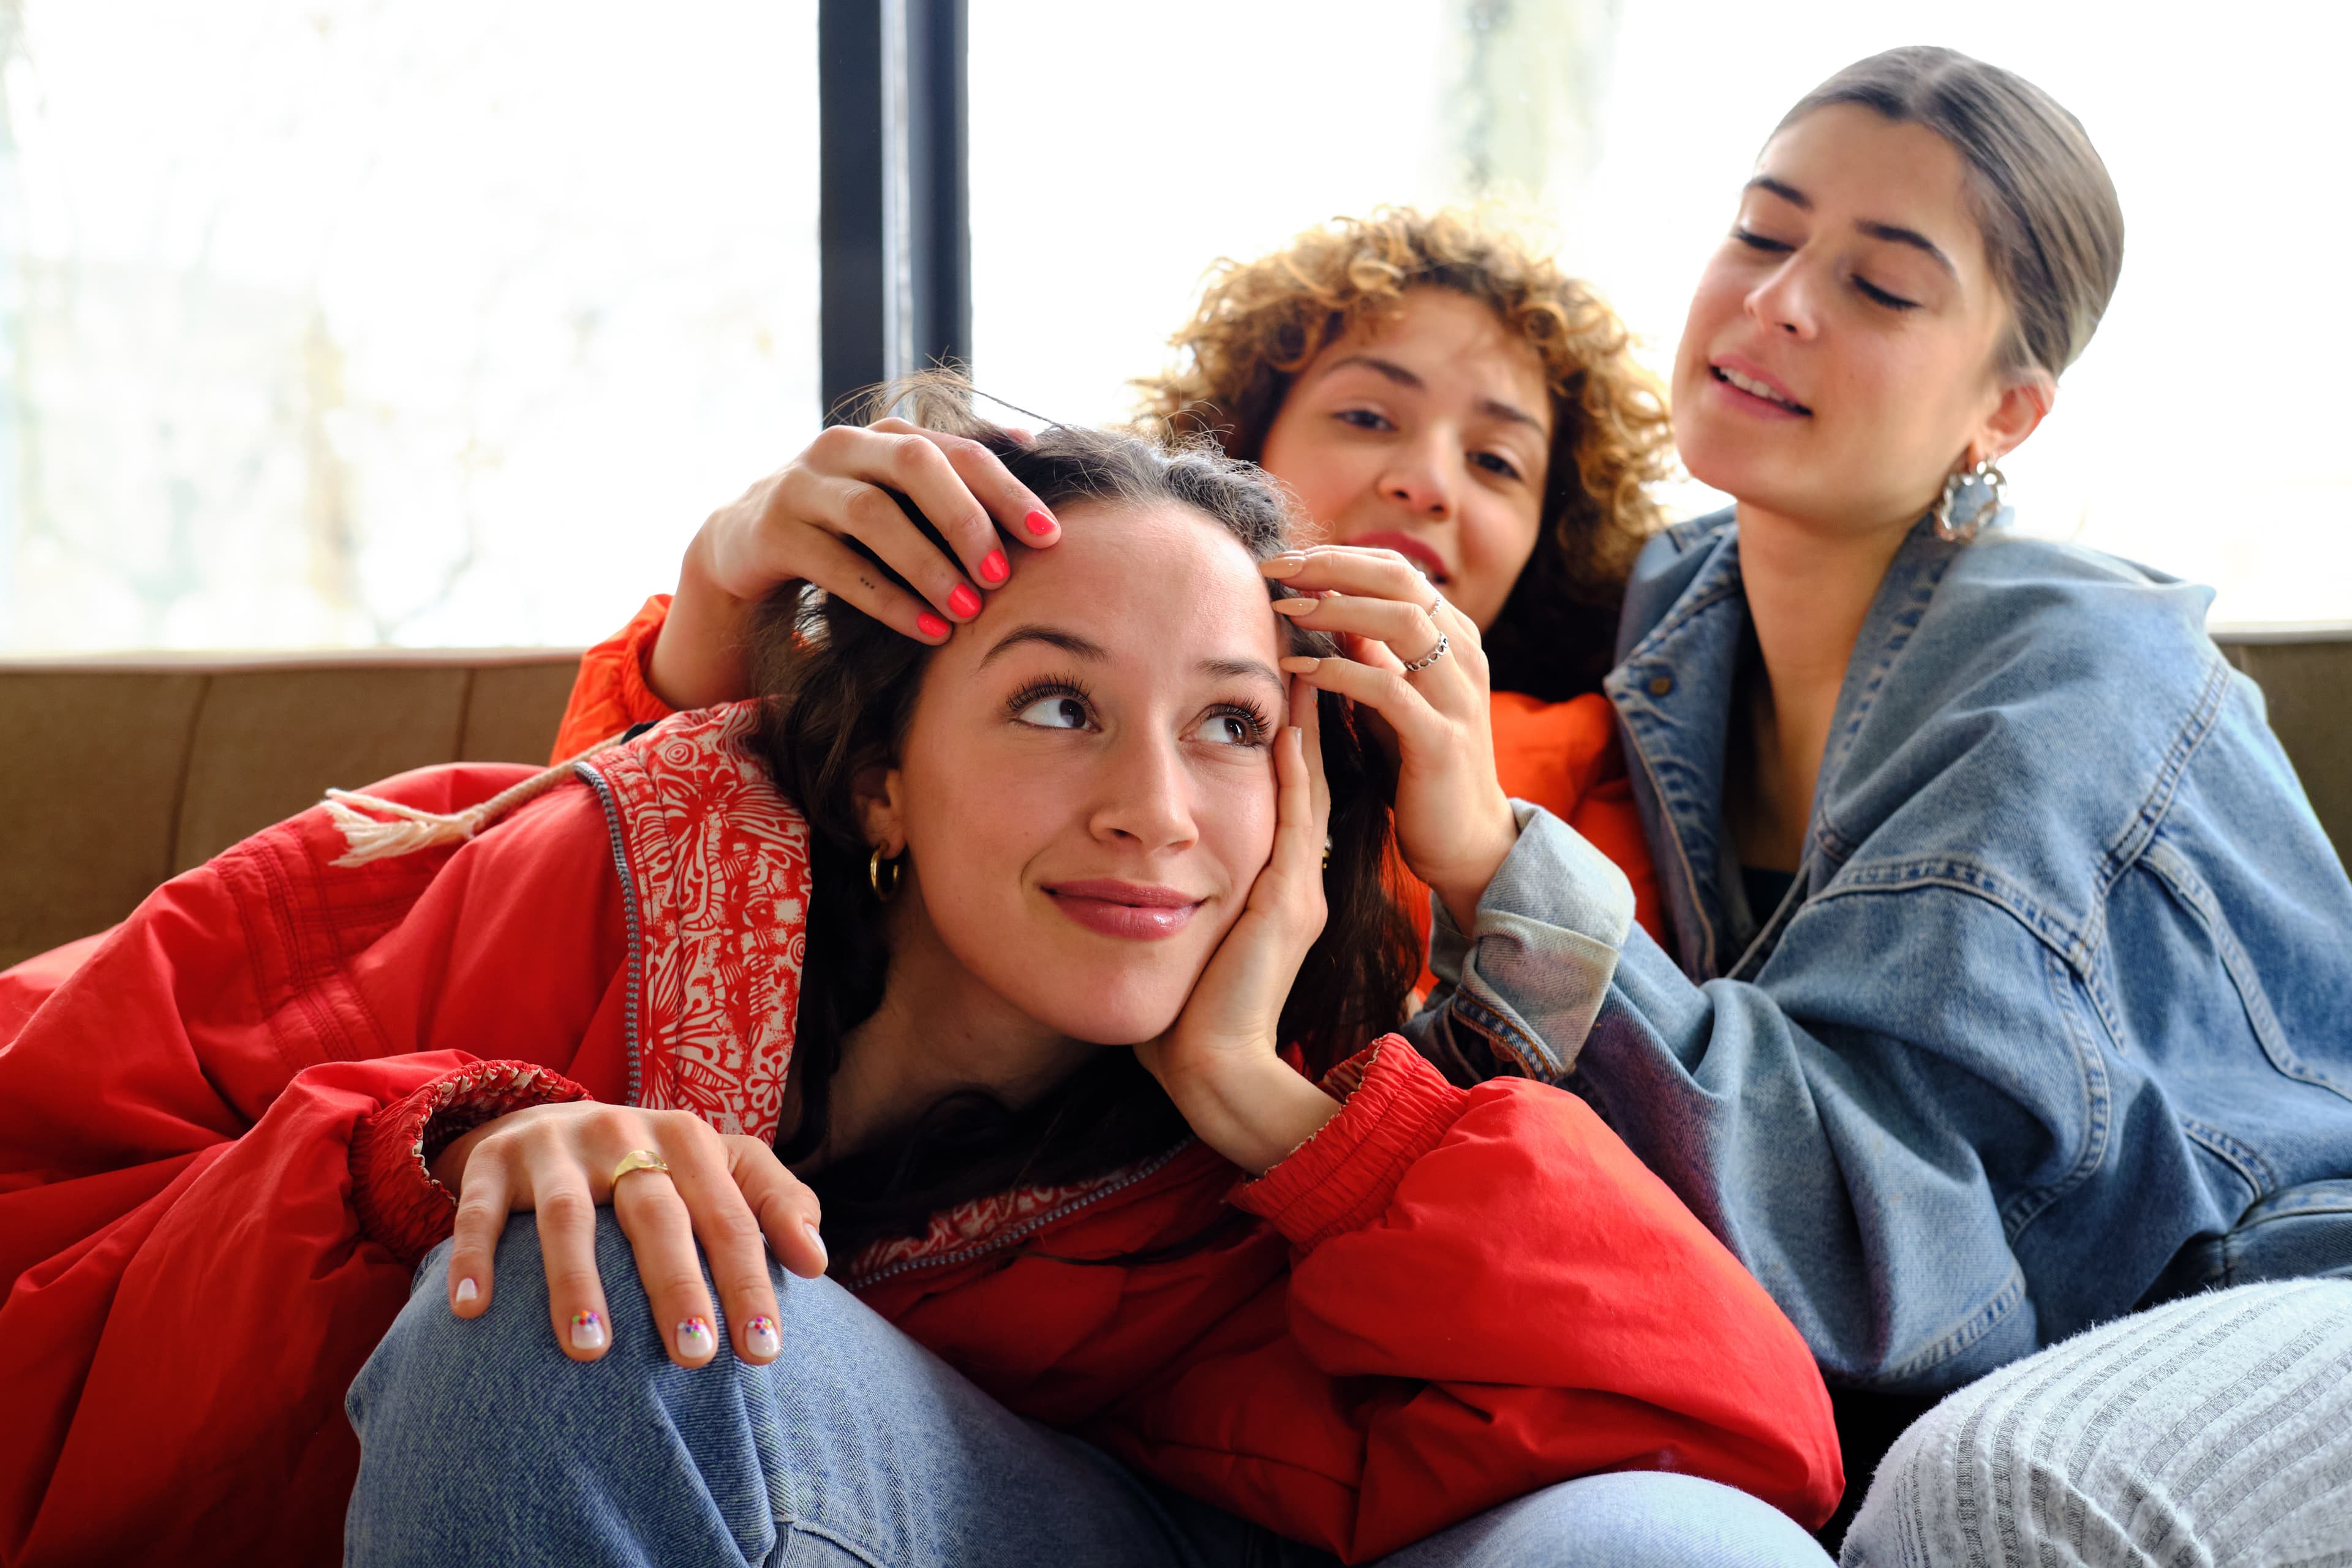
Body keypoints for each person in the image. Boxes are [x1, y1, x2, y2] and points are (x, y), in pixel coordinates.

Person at [0, 396, 1841, 1566]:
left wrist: (1275, 1112)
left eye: (1226, 728)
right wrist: (436, 1153)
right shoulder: (589, 865)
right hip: (748, 1456)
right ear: (879, 768)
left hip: (1138, 1512)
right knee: (575, 1283)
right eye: (1058, 706)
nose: (1152, 812)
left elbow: (1743, 1426)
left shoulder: (1333, 1059)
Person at [1376, 47, 2352, 1556]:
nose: (1779, 301)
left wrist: (1506, 866)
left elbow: (1875, 1250)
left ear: (2006, 413)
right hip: (2011, 1337)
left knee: (1985, 1492)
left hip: (2281, 1296)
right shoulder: (1675, 616)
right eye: (1763, 234)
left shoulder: (2063, 680)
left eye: (1883, 287)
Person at [546, 209, 1674, 952]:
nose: (1429, 482)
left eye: (1496, 462)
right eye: (1368, 414)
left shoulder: (1583, 766)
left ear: (1551, 530)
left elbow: (1604, 1106)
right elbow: (598, 906)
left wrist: (1483, 858)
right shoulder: (993, 633)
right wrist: (715, 594)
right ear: (1238, 450)